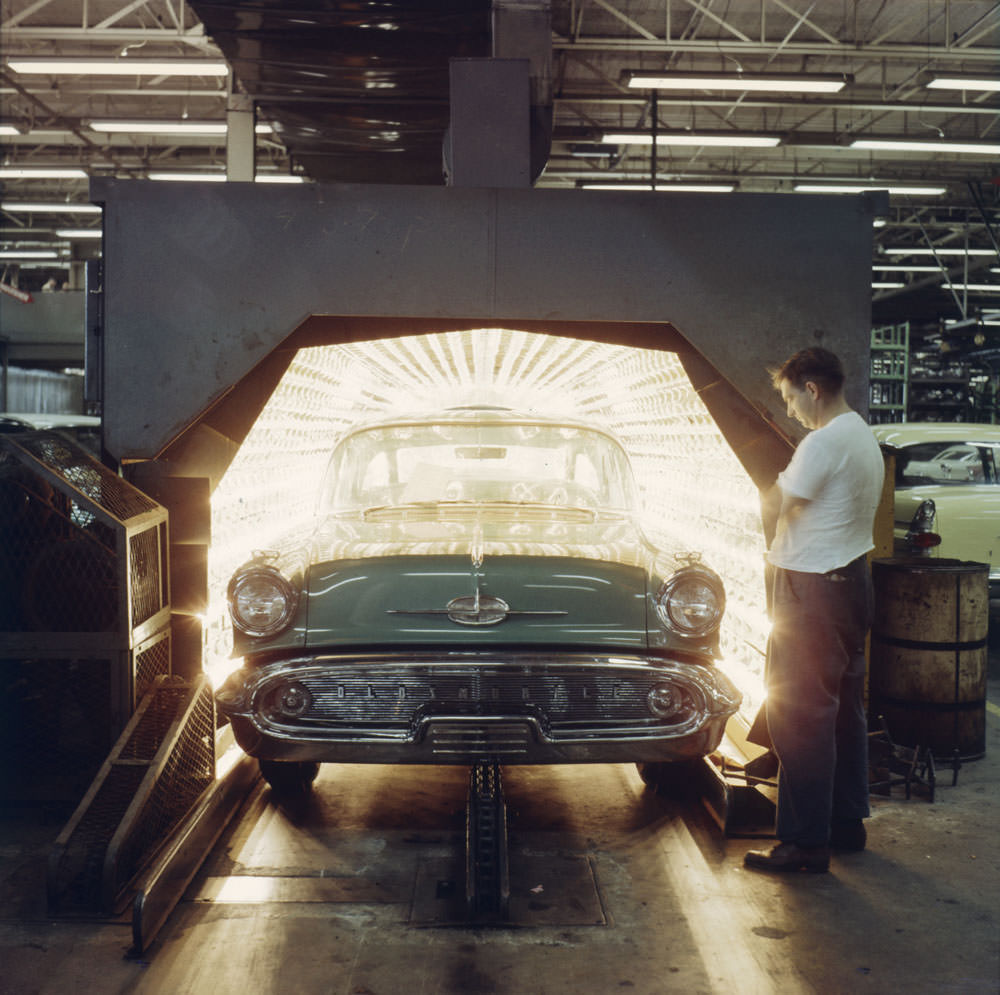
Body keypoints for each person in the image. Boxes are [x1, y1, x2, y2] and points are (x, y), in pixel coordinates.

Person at [744, 346, 884, 874]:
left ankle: (804, 844)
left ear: (813, 389)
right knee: (843, 709)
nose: (790, 411)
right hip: (852, 583)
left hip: (813, 590)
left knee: (800, 715)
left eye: (789, 398)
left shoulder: (823, 443)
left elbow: (781, 503)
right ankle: (846, 823)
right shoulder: (863, 435)